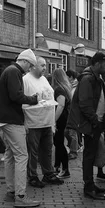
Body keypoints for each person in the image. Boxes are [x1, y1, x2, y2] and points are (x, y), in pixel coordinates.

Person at [0, 49, 40, 208]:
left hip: (5, 120)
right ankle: (20, 195)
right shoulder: (15, 72)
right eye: (31, 66)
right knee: (22, 156)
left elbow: (12, 96)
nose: (30, 69)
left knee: (9, 155)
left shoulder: (9, 71)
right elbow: (16, 96)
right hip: (12, 121)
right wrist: (33, 100)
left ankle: (11, 192)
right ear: (26, 61)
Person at [67, 51, 105, 200]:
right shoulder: (87, 79)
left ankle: (90, 184)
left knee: (91, 153)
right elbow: (84, 104)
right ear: (97, 64)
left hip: (94, 121)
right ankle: (88, 186)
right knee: (89, 155)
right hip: (91, 123)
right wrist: (95, 121)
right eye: (104, 64)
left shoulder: (96, 78)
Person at [22, 57, 64, 187]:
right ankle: (32, 176)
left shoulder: (44, 79)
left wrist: (53, 122)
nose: (45, 68)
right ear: (33, 66)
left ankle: (48, 173)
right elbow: (21, 101)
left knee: (47, 150)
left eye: (45, 65)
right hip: (33, 122)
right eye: (42, 65)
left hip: (47, 121)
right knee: (33, 152)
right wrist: (24, 123)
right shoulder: (25, 80)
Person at [52, 68, 73, 179]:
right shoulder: (66, 88)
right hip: (65, 118)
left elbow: (61, 105)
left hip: (60, 119)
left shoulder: (59, 89)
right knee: (58, 143)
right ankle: (57, 167)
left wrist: (53, 120)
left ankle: (65, 170)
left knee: (59, 144)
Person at [65, 69, 80, 160]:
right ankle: (75, 147)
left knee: (72, 131)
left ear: (70, 77)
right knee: (68, 131)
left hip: (74, 111)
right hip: (71, 110)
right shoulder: (71, 86)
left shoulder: (75, 86)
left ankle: (74, 151)